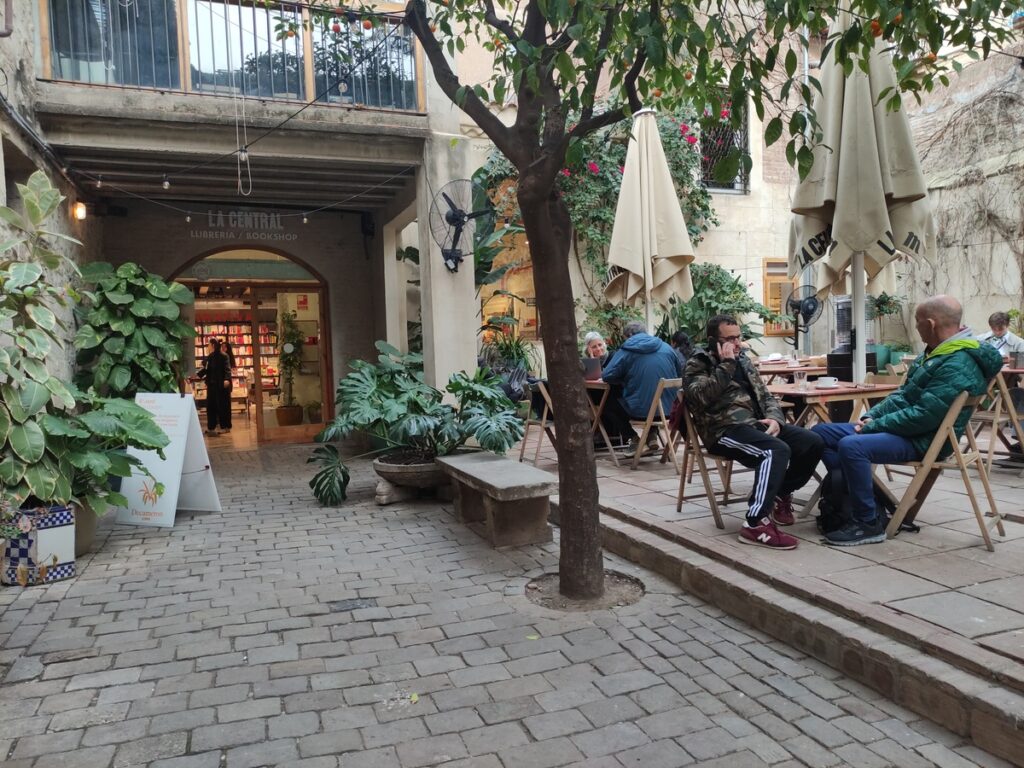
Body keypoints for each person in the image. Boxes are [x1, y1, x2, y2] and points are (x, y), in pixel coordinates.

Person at [812, 295, 1004, 546]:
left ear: (930, 324)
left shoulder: (958, 362)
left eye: (917, 321)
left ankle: (867, 523)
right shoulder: (939, 352)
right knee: (820, 434)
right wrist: (871, 416)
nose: (916, 326)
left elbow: (925, 415)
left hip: (926, 439)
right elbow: (904, 395)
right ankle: (860, 496)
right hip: (908, 431)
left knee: (852, 446)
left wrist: (875, 426)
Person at [685, 314, 824, 550]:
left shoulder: (744, 360)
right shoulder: (698, 363)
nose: (737, 343)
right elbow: (699, 397)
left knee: (812, 442)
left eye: (738, 337)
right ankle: (755, 522)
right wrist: (726, 365)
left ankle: (780, 492)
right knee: (775, 451)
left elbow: (766, 396)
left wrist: (776, 419)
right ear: (713, 341)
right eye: (730, 339)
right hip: (723, 430)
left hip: (756, 424)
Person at [601, 321, 682, 454]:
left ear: (628, 336)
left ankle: (633, 438)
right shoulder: (667, 347)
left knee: (607, 404)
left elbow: (607, 376)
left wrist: (624, 380)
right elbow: (679, 373)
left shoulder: (627, 350)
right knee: (652, 395)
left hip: (642, 413)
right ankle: (651, 436)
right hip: (670, 410)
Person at [198, 339, 232, 436]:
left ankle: (225, 427)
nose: (207, 347)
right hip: (212, 385)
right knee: (211, 407)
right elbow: (206, 369)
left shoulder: (224, 356)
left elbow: (227, 369)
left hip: (221, 386)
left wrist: (227, 379)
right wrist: (196, 375)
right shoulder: (210, 356)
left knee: (223, 406)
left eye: (208, 345)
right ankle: (211, 427)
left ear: (213, 345)